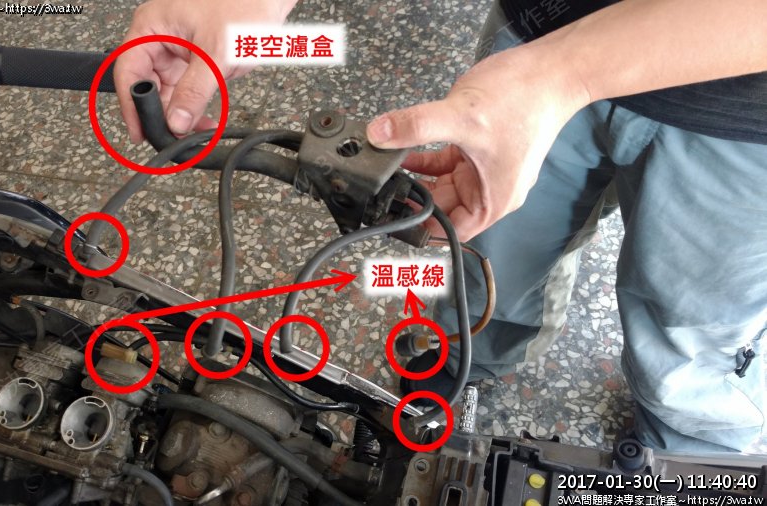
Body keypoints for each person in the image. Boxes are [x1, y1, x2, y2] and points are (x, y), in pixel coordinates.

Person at [116, 0, 767, 453]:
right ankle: (465, 363)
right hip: (540, 32)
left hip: (741, 115)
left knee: (694, 334)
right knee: (490, 256)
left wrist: (566, 72)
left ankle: (691, 446)